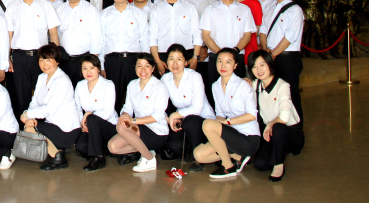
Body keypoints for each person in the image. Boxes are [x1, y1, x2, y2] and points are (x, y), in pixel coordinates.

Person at [193, 48, 260, 179]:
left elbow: (252, 115)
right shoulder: (216, 86)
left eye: (228, 62)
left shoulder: (243, 85)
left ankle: (228, 166)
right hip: (230, 135)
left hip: (248, 138)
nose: (223, 65)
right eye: (220, 61)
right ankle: (239, 157)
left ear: (235, 65)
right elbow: (220, 114)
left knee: (207, 124)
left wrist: (227, 122)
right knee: (198, 155)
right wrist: (215, 131)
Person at [7, 0, 61, 121]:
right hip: (19, 57)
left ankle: (42, 127)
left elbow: (53, 33)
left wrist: (55, 57)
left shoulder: (45, 6)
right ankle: (23, 127)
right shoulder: (12, 7)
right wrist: (7, 58)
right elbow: (9, 36)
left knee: (43, 94)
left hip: (41, 57)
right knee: (21, 95)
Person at [21, 44, 81, 171]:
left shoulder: (62, 80)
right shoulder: (42, 77)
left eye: (48, 60)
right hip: (52, 124)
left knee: (30, 129)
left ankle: (58, 157)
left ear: (57, 61)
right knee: (29, 126)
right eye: (41, 60)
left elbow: (49, 109)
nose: (44, 64)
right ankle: (56, 151)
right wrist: (30, 117)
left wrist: (27, 114)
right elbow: (34, 102)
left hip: (66, 130)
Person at [107, 53, 169, 172]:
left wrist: (133, 121)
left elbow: (158, 116)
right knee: (113, 147)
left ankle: (149, 159)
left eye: (147, 66)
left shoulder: (160, 87)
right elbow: (127, 107)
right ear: (135, 68)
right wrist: (124, 116)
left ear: (153, 68)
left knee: (121, 128)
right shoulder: (132, 85)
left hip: (156, 131)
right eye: (139, 66)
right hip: (138, 128)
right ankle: (147, 151)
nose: (143, 70)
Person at [249, 50, 304, 181]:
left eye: (262, 65)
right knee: (260, 164)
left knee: (278, 127)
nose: (259, 70)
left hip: (290, 132)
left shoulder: (282, 86)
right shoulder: (255, 85)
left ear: (270, 64)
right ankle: (278, 150)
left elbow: (284, 117)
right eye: (254, 66)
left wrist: (270, 124)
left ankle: (278, 164)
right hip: (271, 133)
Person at [258, 0, 304, 128]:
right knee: (272, 95)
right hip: (270, 57)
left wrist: (273, 53)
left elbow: (290, 37)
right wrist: (265, 50)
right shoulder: (270, 8)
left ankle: (296, 131)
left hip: (286, 58)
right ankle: (276, 130)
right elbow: (263, 30)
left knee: (290, 95)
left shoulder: (295, 10)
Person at [160, 44, 215, 172]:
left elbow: (197, 108)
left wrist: (175, 115)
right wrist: (168, 118)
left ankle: (198, 159)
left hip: (202, 120)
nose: (175, 63)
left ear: (185, 62)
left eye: (179, 59)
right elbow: (158, 105)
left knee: (190, 121)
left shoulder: (194, 77)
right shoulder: (165, 79)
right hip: (182, 119)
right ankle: (188, 147)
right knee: (174, 146)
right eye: (171, 59)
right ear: (167, 62)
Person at [100, 0, 149, 111]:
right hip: (112, 62)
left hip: (134, 61)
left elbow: (144, 39)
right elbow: (101, 42)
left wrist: (146, 63)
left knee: (137, 98)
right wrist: (101, 66)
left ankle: (136, 123)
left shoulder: (139, 14)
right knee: (113, 99)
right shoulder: (104, 15)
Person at [199, 0, 256, 85]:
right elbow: (206, 36)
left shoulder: (244, 10)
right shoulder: (209, 10)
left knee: (238, 90)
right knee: (215, 90)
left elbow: (247, 35)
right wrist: (220, 53)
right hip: (215, 57)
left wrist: (235, 51)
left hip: (237, 57)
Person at [149, 0, 202, 74]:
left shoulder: (190, 7)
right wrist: (158, 61)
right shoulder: (156, 10)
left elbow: (197, 33)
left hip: (187, 54)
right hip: (163, 56)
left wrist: (195, 57)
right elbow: (152, 37)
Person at [56, 0, 103, 86]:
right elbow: (57, 35)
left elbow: (97, 38)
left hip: (84, 61)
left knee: (83, 91)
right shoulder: (60, 9)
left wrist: (92, 63)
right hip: (64, 61)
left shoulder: (91, 10)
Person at [74, 55, 118, 172]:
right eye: (84, 68)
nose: (88, 72)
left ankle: (98, 158)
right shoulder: (80, 85)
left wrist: (89, 116)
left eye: (92, 68)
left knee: (92, 119)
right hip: (90, 125)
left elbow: (108, 112)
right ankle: (104, 148)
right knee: (81, 147)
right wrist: (82, 123)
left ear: (99, 69)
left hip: (108, 126)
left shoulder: (108, 85)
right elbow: (77, 108)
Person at [231, 0, 264, 64]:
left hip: (249, 49)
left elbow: (257, 28)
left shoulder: (255, 3)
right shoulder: (225, 4)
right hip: (230, 49)